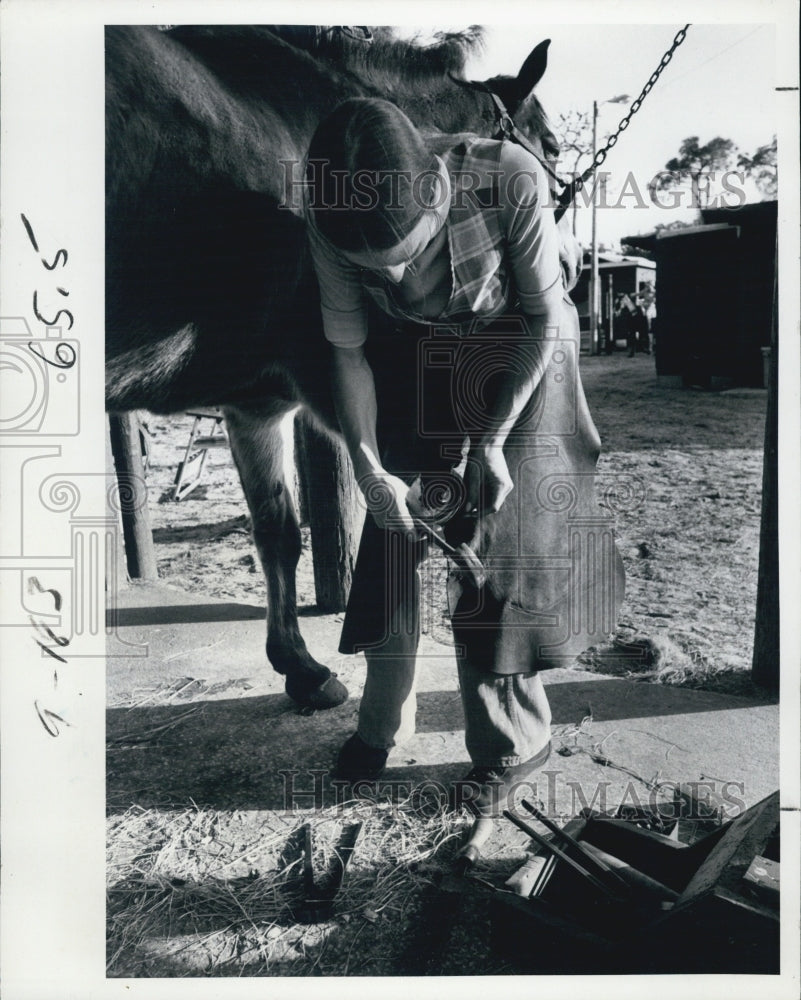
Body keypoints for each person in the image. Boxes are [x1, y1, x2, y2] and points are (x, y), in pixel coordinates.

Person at [304, 97, 573, 816]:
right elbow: (350, 351)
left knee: (489, 547)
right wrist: (367, 465)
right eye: (373, 272)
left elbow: (544, 317)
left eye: (409, 257)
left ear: (439, 194)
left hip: (518, 343)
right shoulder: (332, 218)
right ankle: (383, 723)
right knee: (393, 533)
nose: (392, 282)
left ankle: (512, 742)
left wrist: (488, 442)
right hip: (414, 354)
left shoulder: (506, 177)